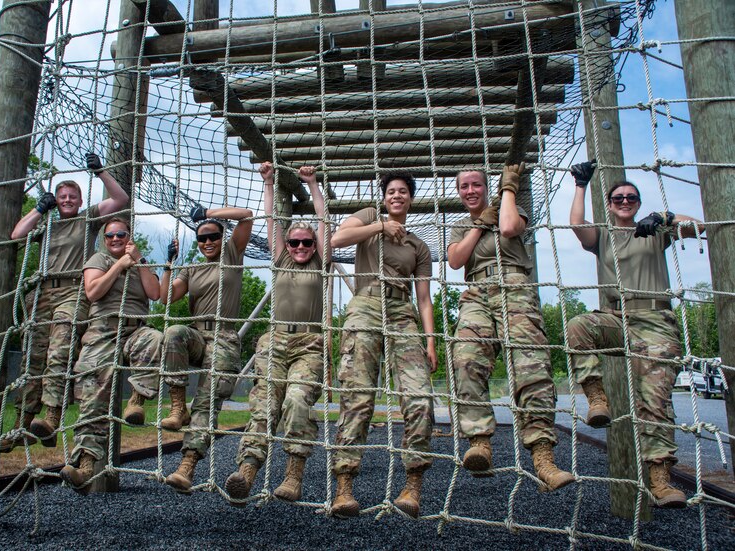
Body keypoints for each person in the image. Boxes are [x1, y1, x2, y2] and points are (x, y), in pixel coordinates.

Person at [566, 161, 704, 508]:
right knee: (578, 326)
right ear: (610, 204)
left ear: (638, 203)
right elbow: (576, 224)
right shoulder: (603, 236)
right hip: (619, 317)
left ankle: (660, 479)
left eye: (631, 198)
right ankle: (597, 398)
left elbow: (699, 227)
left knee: (653, 400)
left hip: (656, 321)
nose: (625, 202)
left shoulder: (655, 231)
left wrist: (666, 217)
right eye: (618, 198)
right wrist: (581, 185)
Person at [447, 164, 574, 492]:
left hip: (514, 284)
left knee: (530, 363)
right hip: (476, 290)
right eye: (464, 186)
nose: (471, 191)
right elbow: (456, 260)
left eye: (477, 184)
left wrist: (508, 188)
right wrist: (479, 225)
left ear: (486, 187)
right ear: (459, 192)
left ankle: (543, 456)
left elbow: (507, 227)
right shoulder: (460, 225)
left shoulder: (511, 207)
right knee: (465, 358)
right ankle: (479, 442)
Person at [0, 154, 129, 453]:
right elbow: (17, 235)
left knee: (60, 349)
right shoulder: (47, 226)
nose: (67, 200)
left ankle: (52, 416)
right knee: (32, 358)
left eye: (72, 197)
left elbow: (120, 199)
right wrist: (39, 209)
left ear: (79, 201)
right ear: (56, 200)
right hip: (43, 293)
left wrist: (101, 172)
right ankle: (22, 424)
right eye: (62, 197)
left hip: (72, 290)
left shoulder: (87, 219)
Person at [329, 171, 437, 519]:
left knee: (419, 396)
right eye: (391, 191)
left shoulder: (418, 247)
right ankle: (344, 486)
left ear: (411, 199)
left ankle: (413, 484)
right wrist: (380, 227)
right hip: (366, 303)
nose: (397, 196)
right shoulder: (369, 217)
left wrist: (430, 342)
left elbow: (424, 299)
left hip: (402, 311)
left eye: (403, 191)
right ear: (384, 197)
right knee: (358, 395)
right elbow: (336, 240)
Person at [224, 163, 329, 506]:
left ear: (314, 245)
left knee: (296, 400)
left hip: (309, 344)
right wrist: (268, 183)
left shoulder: (320, 262)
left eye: (306, 242)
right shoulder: (282, 258)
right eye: (294, 241)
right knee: (265, 404)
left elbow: (324, 220)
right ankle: (247, 470)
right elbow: (271, 220)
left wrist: (312, 184)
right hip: (276, 340)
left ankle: (293, 474)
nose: (300, 246)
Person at [59, 217, 163, 492]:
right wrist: (119, 265)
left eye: (121, 234)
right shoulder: (99, 260)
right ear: (105, 240)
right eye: (110, 236)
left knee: (156, 339)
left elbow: (155, 293)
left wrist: (138, 261)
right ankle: (85, 466)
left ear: (129, 236)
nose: (115, 239)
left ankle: (136, 401)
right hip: (104, 329)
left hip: (134, 328)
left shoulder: (141, 263)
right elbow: (93, 292)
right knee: (93, 398)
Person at [160, 203, 253, 494]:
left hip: (223, 337)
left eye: (213, 236)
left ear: (222, 237)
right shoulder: (192, 268)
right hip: (198, 335)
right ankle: (178, 408)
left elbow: (246, 216)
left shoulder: (232, 254)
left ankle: (187, 465)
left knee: (206, 399)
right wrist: (168, 265)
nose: (208, 242)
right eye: (202, 238)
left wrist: (208, 213)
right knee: (173, 332)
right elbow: (166, 297)